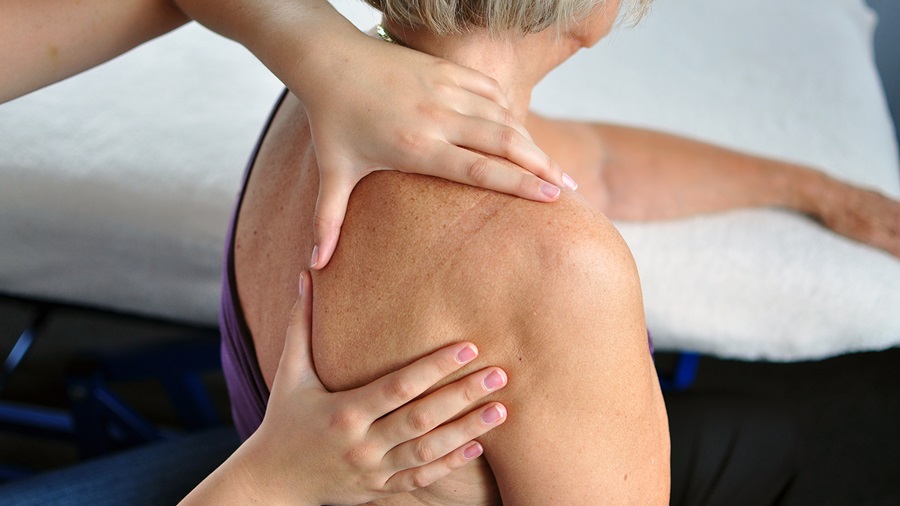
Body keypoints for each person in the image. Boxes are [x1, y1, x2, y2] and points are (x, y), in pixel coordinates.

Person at [229, 0, 900, 503]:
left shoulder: (334, 92)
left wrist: (814, 190)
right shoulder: (561, 264)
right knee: (766, 444)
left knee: (752, 431)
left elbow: (603, 164)